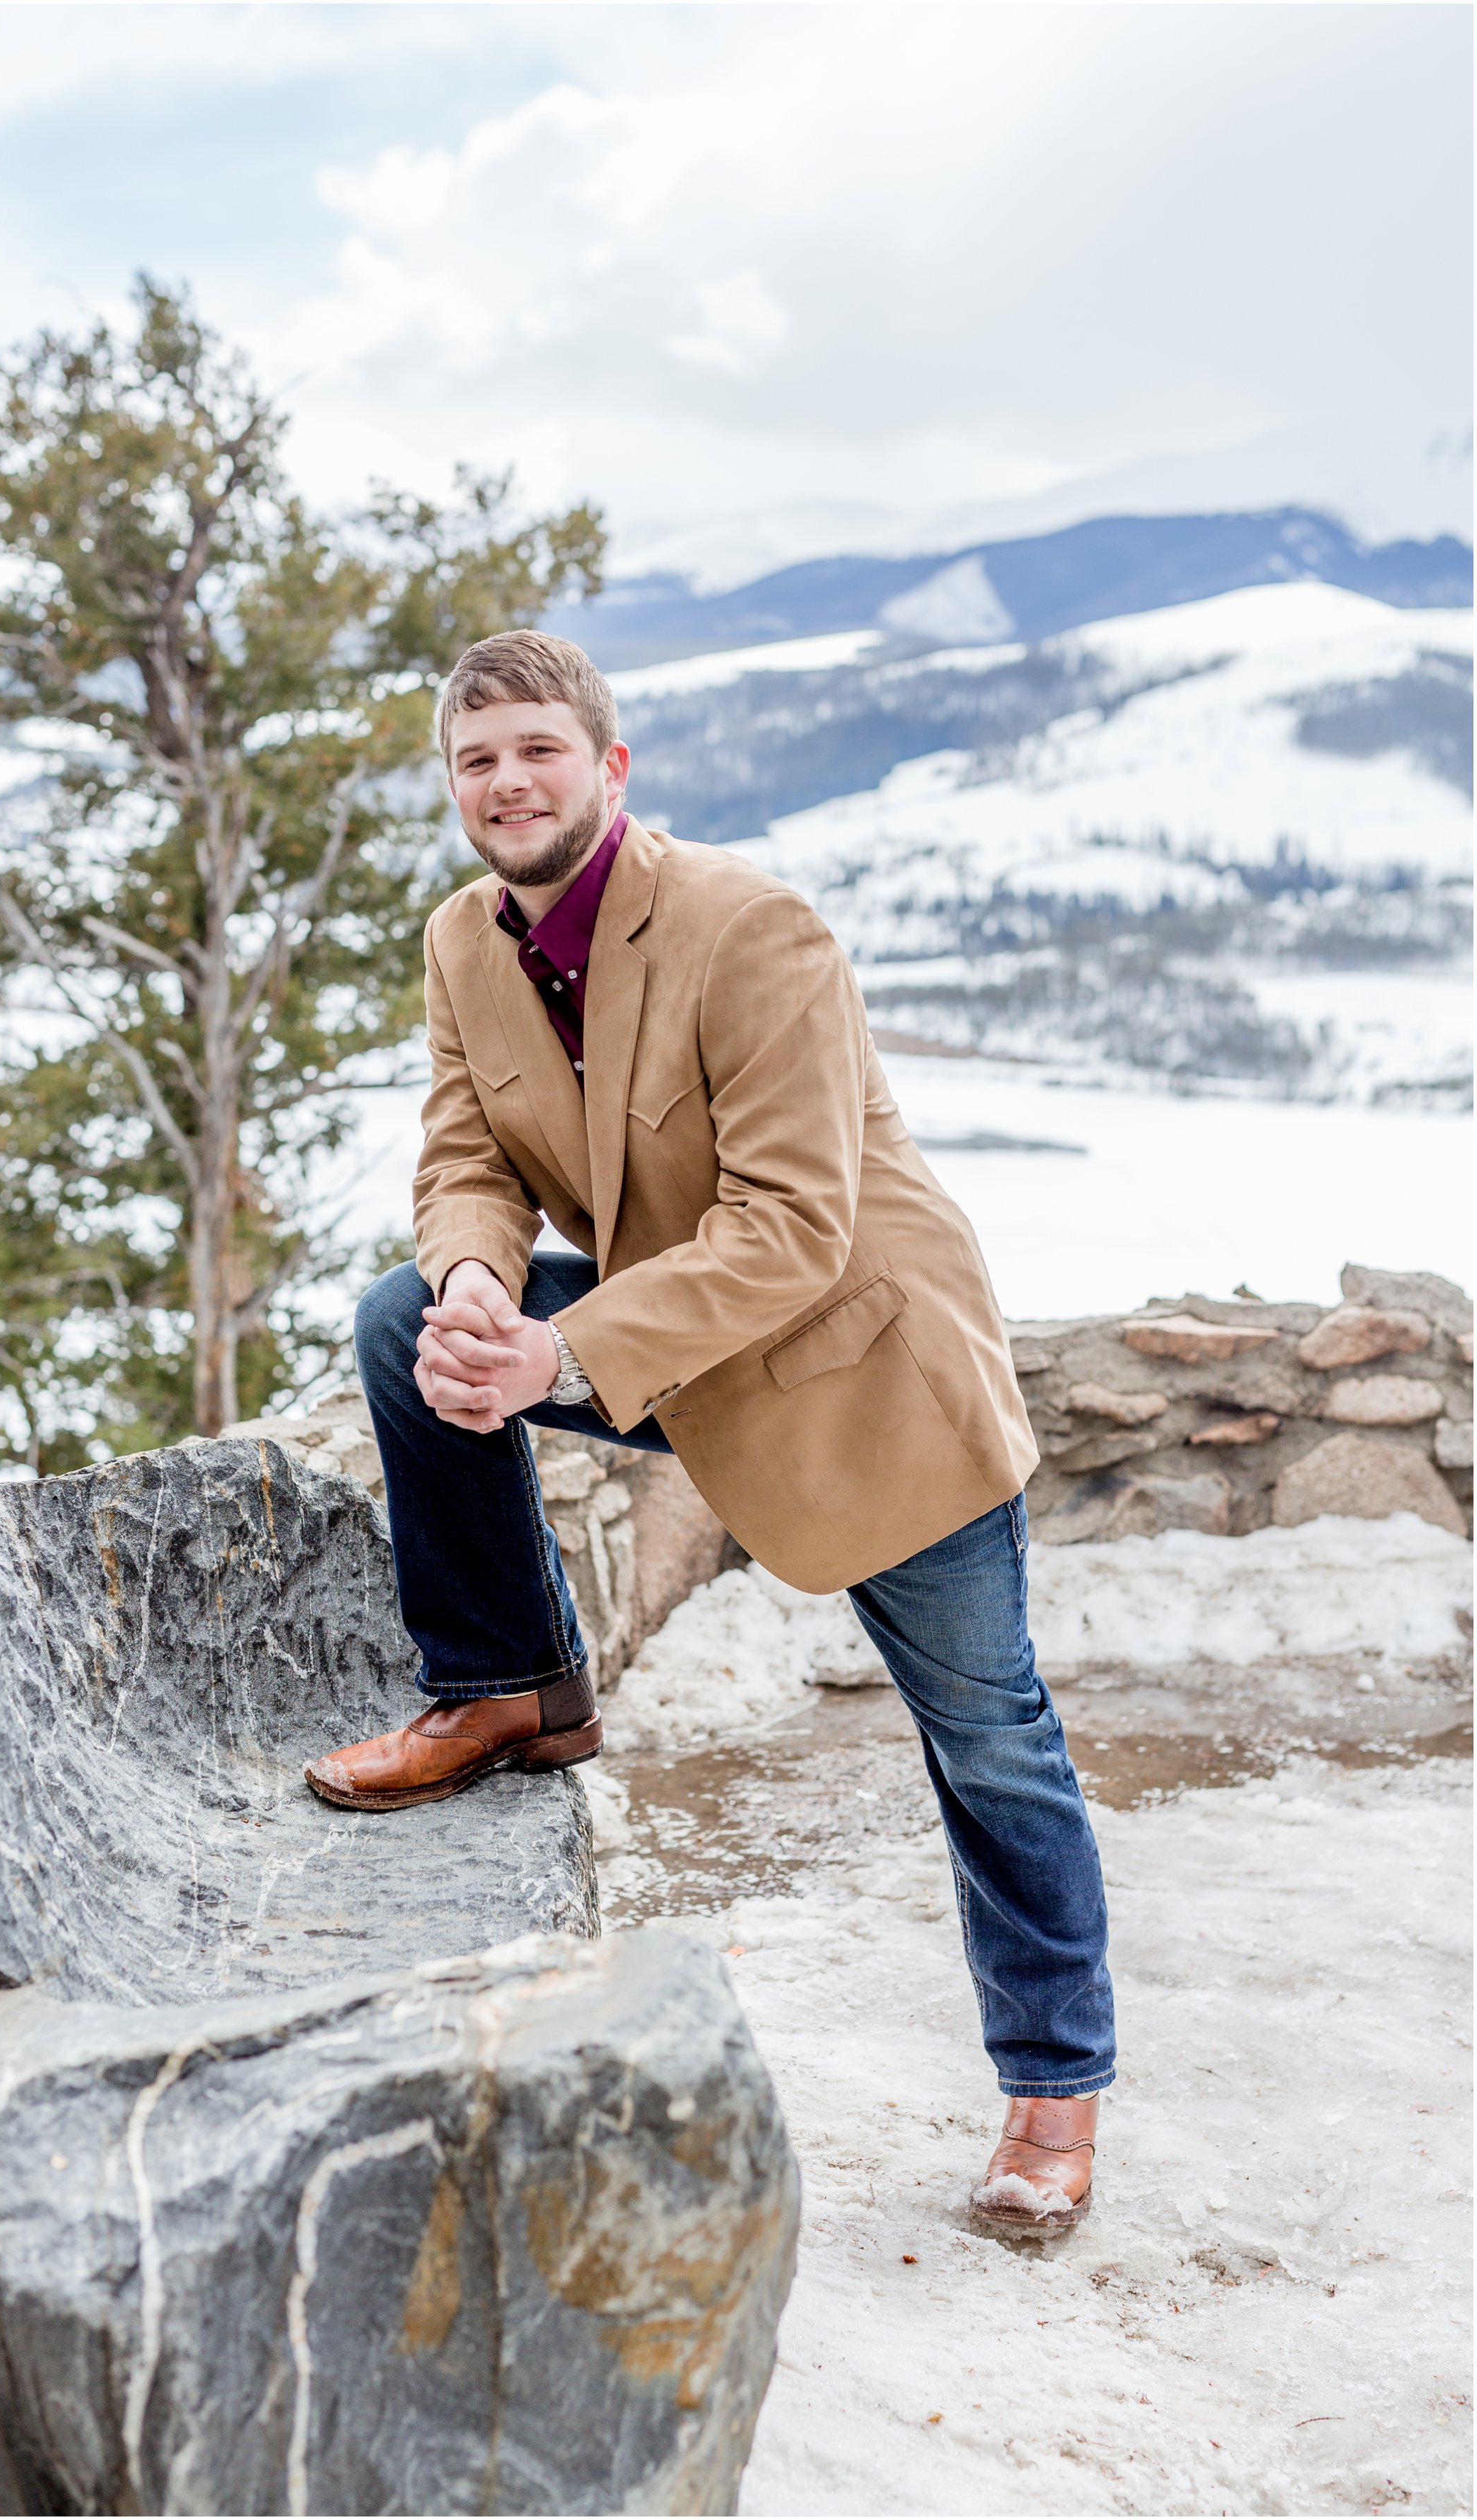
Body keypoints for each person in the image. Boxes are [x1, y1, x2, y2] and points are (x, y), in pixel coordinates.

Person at [306, 630, 1114, 2230]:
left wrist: (556, 1356)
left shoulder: (755, 930)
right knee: (407, 1324)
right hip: (666, 1351)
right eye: (477, 760)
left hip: (857, 1385)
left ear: (610, 769)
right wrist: (479, 1287)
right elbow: (466, 1152)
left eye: (539, 749)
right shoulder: (466, 941)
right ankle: (509, 1688)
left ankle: (1053, 2086)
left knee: (991, 1740)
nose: (506, 782)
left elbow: (794, 1230)